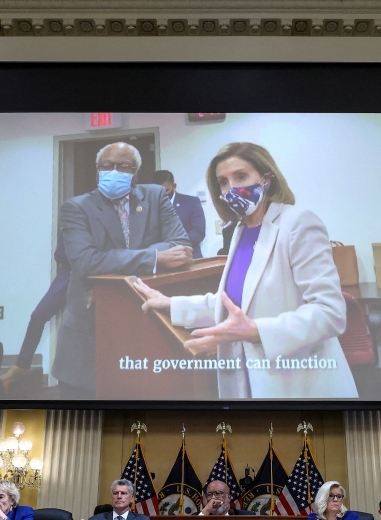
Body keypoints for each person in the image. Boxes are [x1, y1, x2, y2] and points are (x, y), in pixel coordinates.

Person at [133, 142, 358, 399]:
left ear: (266, 179)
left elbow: (330, 312)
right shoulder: (240, 230)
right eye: (223, 182)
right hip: (249, 379)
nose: (232, 188)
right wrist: (171, 304)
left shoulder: (298, 223)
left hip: (299, 380)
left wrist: (256, 331)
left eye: (241, 176)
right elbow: (233, 304)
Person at [54, 142, 193, 398]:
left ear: (136, 172)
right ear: (98, 169)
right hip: (89, 332)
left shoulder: (155, 195)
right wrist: (155, 256)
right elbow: (85, 261)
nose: (114, 172)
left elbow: (181, 244)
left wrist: (112, 258)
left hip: (142, 326)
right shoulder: (76, 207)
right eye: (107, 166)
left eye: (123, 167)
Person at [0, 239, 70, 389]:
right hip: (66, 277)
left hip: (90, 280)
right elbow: (59, 254)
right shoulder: (73, 218)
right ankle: (22, 366)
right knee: (37, 316)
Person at [152, 169, 206, 259]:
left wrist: (172, 245)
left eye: (166, 191)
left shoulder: (191, 202)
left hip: (189, 257)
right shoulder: (149, 206)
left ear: (174, 186)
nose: (162, 195)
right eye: (158, 191)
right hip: (160, 260)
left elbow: (198, 232)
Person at [88, 479, 152, 520]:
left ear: (131, 498)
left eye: (123, 493)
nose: (119, 496)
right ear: (111, 498)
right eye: (115, 493)